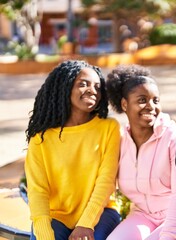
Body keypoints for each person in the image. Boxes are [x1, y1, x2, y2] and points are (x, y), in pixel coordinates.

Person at [25, 60, 121, 240]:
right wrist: (44, 234)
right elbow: (38, 191)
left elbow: (106, 181)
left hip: (101, 213)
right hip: (57, 216)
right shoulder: (41, 138)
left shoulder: (109, 128)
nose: (92, 90)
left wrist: (86, 224)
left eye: (97, 87)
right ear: (65, 86)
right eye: (83, 84)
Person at [105, 64, 176, 240]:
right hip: (142, 215)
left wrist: (169, 234)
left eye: (155, 100)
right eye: (142, 100)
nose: (151, 106)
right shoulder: (120, 142)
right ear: (124, 104)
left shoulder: (174, 139)